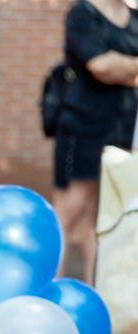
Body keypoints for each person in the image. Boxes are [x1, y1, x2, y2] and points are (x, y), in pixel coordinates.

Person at [54, 0, 138, 288]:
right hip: (83, 129)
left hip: (122, 132)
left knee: (102, 222)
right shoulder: (84, 13)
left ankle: (97, 300)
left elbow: (115, 66)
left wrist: (122, 65)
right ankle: (45, 298)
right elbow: (100, 66)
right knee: (67, 215)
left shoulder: (135, 17)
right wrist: (127, 69)